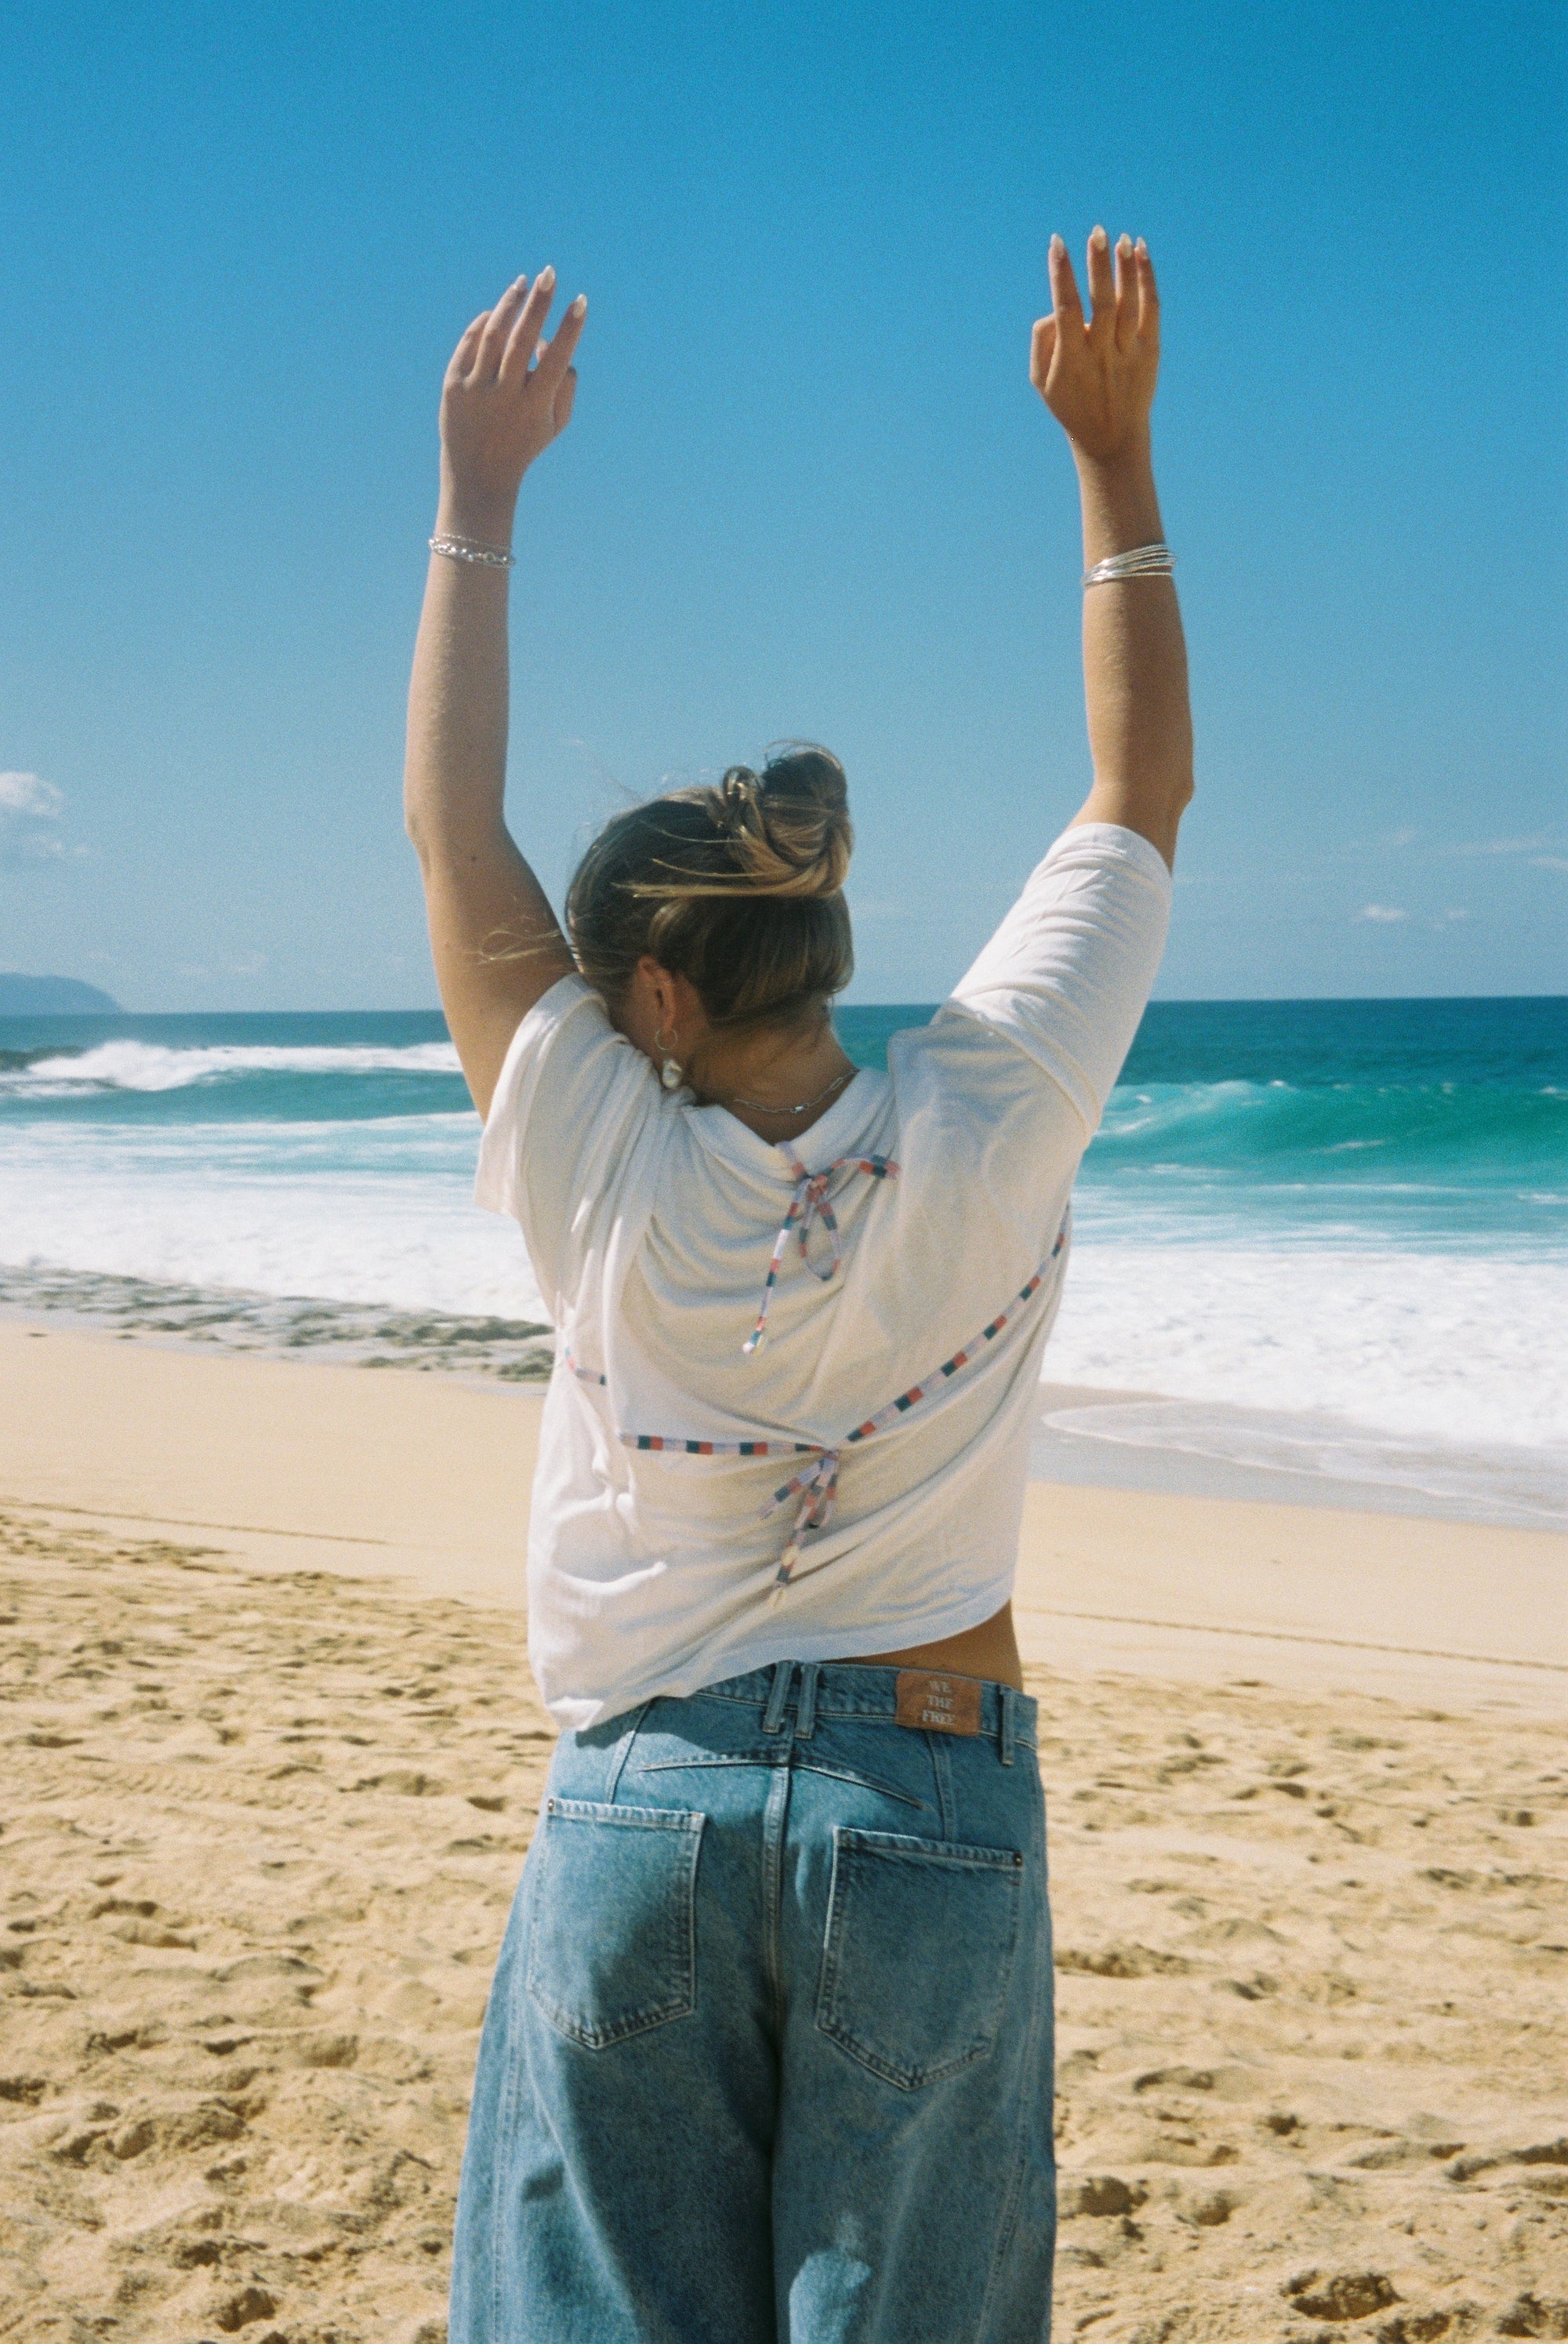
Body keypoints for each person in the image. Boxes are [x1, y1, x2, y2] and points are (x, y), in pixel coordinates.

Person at [406, 226, 1192, 2344]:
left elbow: (445, 827)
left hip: (644, 1807)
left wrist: (478, 505)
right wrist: (1112, 462)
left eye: (591, 979)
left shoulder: (596, 1163)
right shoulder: (998, 1102)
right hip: (928, 1801)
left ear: (650, 989)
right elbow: (1141, 794)